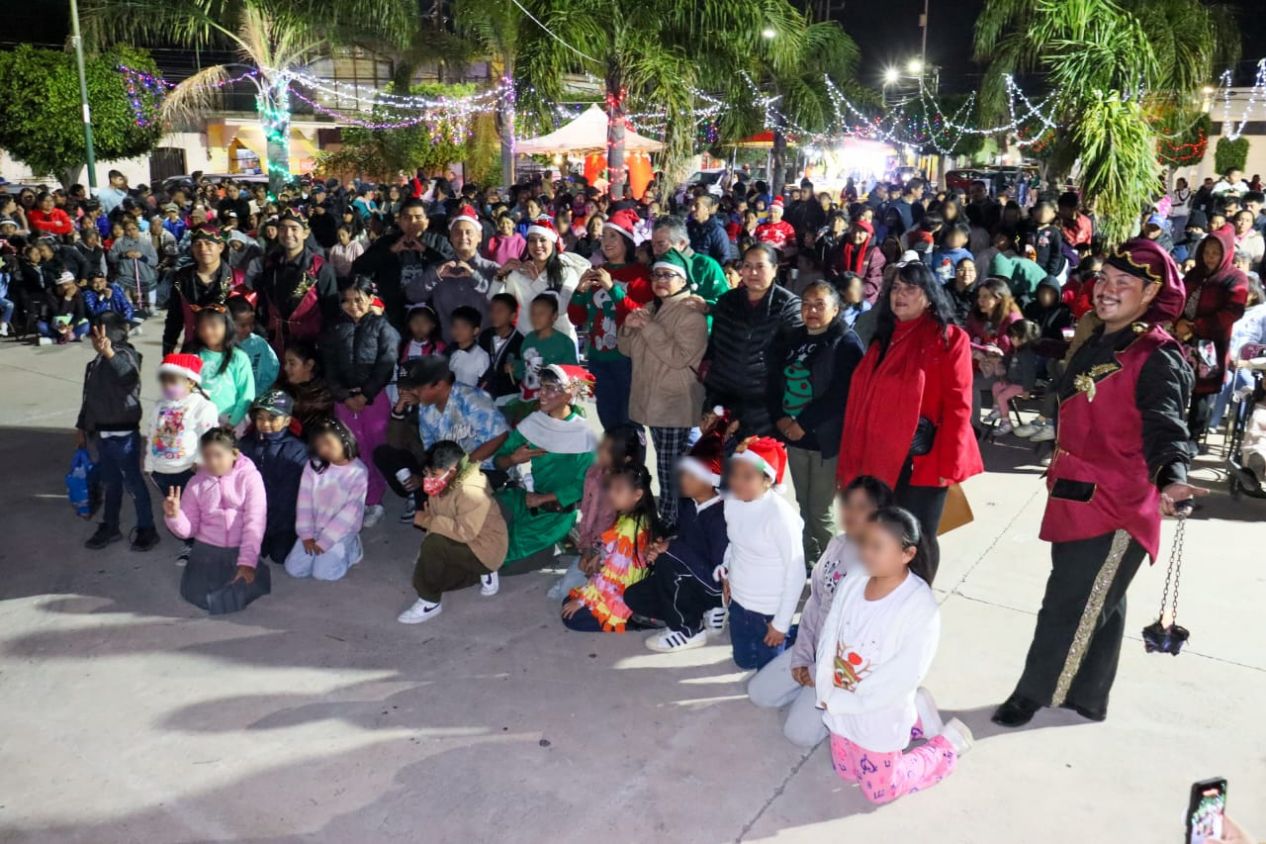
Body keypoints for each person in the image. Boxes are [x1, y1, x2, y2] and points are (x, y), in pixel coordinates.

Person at [992, 238, 1200, 728]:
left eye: (1123, 282)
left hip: (1117, 504)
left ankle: (1033, 693)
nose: (1106, 288)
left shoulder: (1157, 355)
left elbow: (1166, 425)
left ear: (1151, 293)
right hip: (1074, 492)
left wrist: (1173, 478)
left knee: (1067, 603)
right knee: (1099, 595)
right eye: (1104, 277)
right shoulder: (1102, 339)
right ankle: (1089, 696)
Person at [837, 261, 983, 581]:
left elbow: (960, 404)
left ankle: (917, 599)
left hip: (925, 457)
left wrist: (949, 463)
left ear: (929, 296)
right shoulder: (884, 338)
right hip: (881, 454)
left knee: (917, 536)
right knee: (884, 530)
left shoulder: (949, 338)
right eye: (896, 288)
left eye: (911, 288)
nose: (900, 295)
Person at [817, 507, 972, 805]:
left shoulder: (919, 607)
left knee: (879, 791)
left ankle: (946, 746)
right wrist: (826, 688)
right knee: (846, 772)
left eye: (877, 547)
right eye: (865, 542)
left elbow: (902, 675)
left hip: (878, 709)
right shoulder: (855, 579)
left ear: (907, 554)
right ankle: (918, 716)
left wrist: (847, 701)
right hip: (839, 703)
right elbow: (830, 635)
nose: (866, 553)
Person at [748, 475, 893, 746]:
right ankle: (812, 695)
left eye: (862, 507)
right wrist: (802, 657)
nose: (850, 513)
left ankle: (863, 705)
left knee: (799, 734)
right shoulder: (838, 544)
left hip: (846, 666)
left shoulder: (879, 567)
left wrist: (818, 673)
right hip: (816, 650)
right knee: (759, 693)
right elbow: (814, 604)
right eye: (847, 504)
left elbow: (860, 640)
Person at [767, 280, 865, 564]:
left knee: (820, 511)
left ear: (835, 309)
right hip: (794, 437)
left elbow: (841, 394)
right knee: (804, 505)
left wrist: (803, 423)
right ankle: (811, 561)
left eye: (819, 305)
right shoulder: (791, 338)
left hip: (824, 440)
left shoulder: (845, 342)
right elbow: (773, 381)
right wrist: (780, 418)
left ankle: (840, 566)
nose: (811, 310)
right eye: (806, 304)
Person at [618, 248, 709, 528]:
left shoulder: (690, 314)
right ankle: (677, 520)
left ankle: (671, 524)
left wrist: (647, 328)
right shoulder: (650, 308)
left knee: (670, 470)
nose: (660, 280)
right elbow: (626, 349)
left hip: (674, 403)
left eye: (668, 275)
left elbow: (680, 357)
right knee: (671, 465)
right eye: (656, 274)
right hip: (654, 401)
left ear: (683, 281)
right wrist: (628, 328)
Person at [624, 426, 729, 651]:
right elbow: (682, 538)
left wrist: (670, 549)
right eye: (682, 473)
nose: (682, 480)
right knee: (634, 597)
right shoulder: (688, 504)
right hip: (689, 576)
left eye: (691, 475)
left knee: (668, 562)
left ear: (710, 480)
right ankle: (699, 612)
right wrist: (660, 546)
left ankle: (688, 630)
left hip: (712, 585)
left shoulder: (721, 516)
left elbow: (717, 575)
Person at [494, 365, 597, 568]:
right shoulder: (534, 423)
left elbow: (584, 485)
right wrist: (513, 459)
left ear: (568, 394)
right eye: (541, 386)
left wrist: (543, 499)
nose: (541, 393)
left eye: (550, 388)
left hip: (556, 512)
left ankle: (559, 542)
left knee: (502, 560)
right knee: (484, 509)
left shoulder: (584, 435)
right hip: (527, 498)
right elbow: (499, 461)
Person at [716, 436, 805, 670]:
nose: (737, 482)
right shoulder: (732, 501)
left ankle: (800, 635)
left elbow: (796, 573)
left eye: (747, 477)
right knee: (744, 662)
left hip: (769, 609)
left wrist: (780, 624)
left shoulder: (781, 517)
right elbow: (734, 542)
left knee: (768, 674)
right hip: (739, 603)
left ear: (767, 480)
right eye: (734, 474)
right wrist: (726, 572)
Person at [397, 440, 508, 623]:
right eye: (427, 472)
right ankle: (478, 572)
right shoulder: (444, 482)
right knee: (429, 565)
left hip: (484, 545)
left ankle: (430, 602)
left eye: (434, 474)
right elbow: (438, 516)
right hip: (465, 537)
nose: (429, 478)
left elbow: (464, 532)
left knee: (434, 546)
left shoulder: (471, 491)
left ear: (453, 471)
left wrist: (427, 521)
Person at [163, 427, 271, 614]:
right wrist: (174, 515)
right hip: (206, 551)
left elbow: (255, 522)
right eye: (207, 456)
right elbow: (188, 531)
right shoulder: (196, 483)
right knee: (200, 597)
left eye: (218, 455)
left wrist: (247, 561)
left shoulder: (250, 478)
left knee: (234, 596)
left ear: (234, 454)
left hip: (240, 548)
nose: (212, 462)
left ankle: (252, 568)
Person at [323, 276, 400, 528]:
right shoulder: (335, 329)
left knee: (377, 446)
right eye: (347, 301)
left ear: (370, 299)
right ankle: (362, 497)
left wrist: (365, 394)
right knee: (353, 448)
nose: (353, 305)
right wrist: (344, 395)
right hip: (344, 400)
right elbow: (330, 367)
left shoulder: (382, 327)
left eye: (359, 299)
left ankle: (377, 495)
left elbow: (386, 364)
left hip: (373, 398)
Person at [704, 243, 803, 438]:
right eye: (747, 266)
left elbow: (795, 361)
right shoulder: (727, 301)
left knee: (757, 456)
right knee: (717, 454)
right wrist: (711, 402)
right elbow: (715, 351)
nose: (753, 272)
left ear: (774, 269)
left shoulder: (788, 306)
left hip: (766, 406)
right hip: (724, 399)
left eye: (760, 266)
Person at [76, 317, 158, 552]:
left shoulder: (126, 355)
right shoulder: (95, 363)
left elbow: (129, 376)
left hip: (124, 436)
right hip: (101, 434)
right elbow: (88, 397)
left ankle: (147, 528)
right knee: (111, 483)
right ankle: (110, 526)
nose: (94, 341)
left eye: (96, 335)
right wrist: (82, 427)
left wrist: (110, 353)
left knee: (133, 483)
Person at [568, 209, 653, 428]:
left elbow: (641, 316)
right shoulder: (596, 271)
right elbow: (576, 318)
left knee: (629, 425)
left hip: (628, 359)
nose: (606, 241)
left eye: (613, 236)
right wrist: (579, 291)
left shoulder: (640, 274)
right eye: (604, 236)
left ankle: (632, 452)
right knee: (608, 423)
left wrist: (612, 288)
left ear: (627, 241)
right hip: (598, 359)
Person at [561, 464, 660, 632]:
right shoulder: (632, 515)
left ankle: (632, 620)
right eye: (611, 488)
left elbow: (611, 577)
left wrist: (583, 600)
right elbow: (612, 554)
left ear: (637, 495)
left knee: (572, 618)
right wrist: (599, 557)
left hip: (621, 591)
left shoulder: (629, 527)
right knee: (568, 603)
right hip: (622, 584)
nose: (611, 494)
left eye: (618, 490)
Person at [144, 352, 220, 562]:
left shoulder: (202, 406)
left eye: (173, 381)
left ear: (190, 381)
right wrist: (149, 464)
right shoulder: (160, 405)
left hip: (187, 470)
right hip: (161, 469)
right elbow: (152, 433)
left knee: (193, 509)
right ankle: (189, 540)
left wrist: (200, 461)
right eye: (164, 381)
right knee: (177, 510)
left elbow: (209, 436)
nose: (167, 386)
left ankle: (198, 544)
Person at [1178, 227, 1249, 443]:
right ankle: (1171, 435)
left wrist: (1196, 326)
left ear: (1226, 253)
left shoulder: (1235, 278)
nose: (1210, 257)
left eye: (1216, 253)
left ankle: (1193, 439)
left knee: (1201, 394)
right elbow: (1179, 298)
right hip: (1183, 338)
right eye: (1207, 252)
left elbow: (1233, 311)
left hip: (1211, 344)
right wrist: (1178, 321)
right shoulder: (1195, 274)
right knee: (1176, 387)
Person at [284, 417, 369, 581]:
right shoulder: (313, 466)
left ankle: (352, 549)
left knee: (324, 573)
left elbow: (350, 512)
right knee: (294, 569)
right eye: (319, 445)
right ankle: (324, 549)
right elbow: (304, 502)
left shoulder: (358, 472)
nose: (323, 449)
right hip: (314, 528)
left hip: (341, 531)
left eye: (328, 443)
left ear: (344, 439)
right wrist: (306, 534)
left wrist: (326, 541)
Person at [407, 205, 500, 343]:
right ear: (450, 237)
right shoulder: (439, 269)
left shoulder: (492, 269)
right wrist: (434, 276)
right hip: (450, 347)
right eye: (457, 232)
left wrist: (475, 277)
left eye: (469, 232)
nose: (463, 237)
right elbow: (412, 295)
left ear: (479, 236)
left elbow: (502, 306)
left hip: (486, 346)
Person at [253, 212, 340, 354]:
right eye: (283, 228)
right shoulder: (270, 264)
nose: (288, 234)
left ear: (305, 233)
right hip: (276, 345)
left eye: (294, 229)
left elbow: (332, 312)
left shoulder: (320, 268)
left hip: (308, 348)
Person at [240, 389, 308, 564]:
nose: (265, 423)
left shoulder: (298, 449)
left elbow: (289, 495)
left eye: (272, 418)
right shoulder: (246, 444)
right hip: (254, 513)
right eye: (260, 417)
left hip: (284, 517)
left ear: (287, 420)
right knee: (253, 551)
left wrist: (270, 523)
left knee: (280, 556)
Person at [496, 219, 587, 343]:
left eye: (543, 240)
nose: (537, 245)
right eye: (532, 240)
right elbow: (500, 305)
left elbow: (562, 308)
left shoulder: (567, 272)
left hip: (561, 342)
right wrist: (500, 275)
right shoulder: (519, 273)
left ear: (553, 243)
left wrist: (537, 282)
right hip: (528, 342)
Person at [162, 228, 240, 355]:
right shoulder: (181, 278)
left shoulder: (237, 279)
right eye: (197, 244)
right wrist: (168, 347)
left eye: (208, 244)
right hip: (192, 348)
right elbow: (174, 316)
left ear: (220, 247)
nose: (203, 249)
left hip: (229, 350)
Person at [190, 309, 255, 429]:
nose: (207, 331)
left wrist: (232, 423)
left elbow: (247, 394)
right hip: (198, 419)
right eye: (202, 327)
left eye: (213, 326)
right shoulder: (194, 355)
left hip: (230, 420)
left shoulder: (238, 357)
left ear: (227, 326)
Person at [512, 293, 578, 409]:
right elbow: (523, 368)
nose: (536, 317)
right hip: (527, 398)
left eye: (541, 313)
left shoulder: (565, 343)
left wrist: (548, 371)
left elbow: (573, 377)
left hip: (553, 402)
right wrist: (514, 367)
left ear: (554, 316)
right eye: (533, 313)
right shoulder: (528, 339)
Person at [476, 292, 524, 406]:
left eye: (500, 311)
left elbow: (522, 371)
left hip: (508, 397)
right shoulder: (485, 336)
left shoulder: (520, 341)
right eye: (492, 310)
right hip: (484, 392)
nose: (494, 314)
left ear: (512, 316)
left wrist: (515, 368)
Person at [282, 339, 335, 438]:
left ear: (309, 365)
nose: (286, 368)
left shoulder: (323, 394)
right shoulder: (282, 388)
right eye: (285, 363)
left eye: (292, 364)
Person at [227, 296, 279, 394]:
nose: (249, 329)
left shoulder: (259, 344)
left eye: (251, 324)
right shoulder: (218, 346)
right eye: (243, 325)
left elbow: (270, 372)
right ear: (227, 323)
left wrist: (256, 393)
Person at [109, 219, 159, 317]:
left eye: (134, 229)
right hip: (125, 274)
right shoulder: (119, 242)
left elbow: (155, 260)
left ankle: (151, 305)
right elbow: (111, 257)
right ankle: (128, 305)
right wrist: (123, 255)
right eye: (128, 230)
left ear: (138, 229)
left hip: (145, 274)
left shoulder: (146, 242)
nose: (131, 232)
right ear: (125, 231)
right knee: (119, 284)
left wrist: (142, 257)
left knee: (151, 281)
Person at [832, 219, 886, 302]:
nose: (856, 235)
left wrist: (855, 293)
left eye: (861, 232)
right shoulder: (843, 248)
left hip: (864, 296)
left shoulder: (874, 253)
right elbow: (834, 268)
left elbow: (874, 280)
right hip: (842, 292)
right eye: (854, 231)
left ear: (868, 235)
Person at [445, 305, 490, 387]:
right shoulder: (448, 351)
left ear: (475, 331)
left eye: (464, 327)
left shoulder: (481, 356)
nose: (458, 330)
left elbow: (484, 383)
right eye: (455, 326)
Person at [39, 273, 90, 344]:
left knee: (86, 326)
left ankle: (57, 339)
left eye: (72, 283)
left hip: (70, 323)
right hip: (55, 324)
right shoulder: (49, 294)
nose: (71, 287)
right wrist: (67, 297)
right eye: (67, 284)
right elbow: (58, 314)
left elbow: (80, 313)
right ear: (59, 286)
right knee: (41, 326)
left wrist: (72, 325)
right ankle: (68, 338)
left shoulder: (77, 292)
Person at [687, 193, 736, 263]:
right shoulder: (689, 227)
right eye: (691, 205)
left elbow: (724, 258)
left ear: (708, 209)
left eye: (697, 206)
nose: (692, 208)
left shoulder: (717, 231)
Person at [929, 222, 974, 286]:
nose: (954, 238)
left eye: (958, 236)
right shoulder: (938, 252)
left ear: (965, 239)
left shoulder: (966, 256)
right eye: (951, 235)